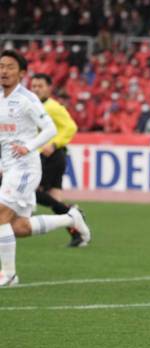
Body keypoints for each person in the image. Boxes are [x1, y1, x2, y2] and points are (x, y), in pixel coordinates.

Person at [0, 50, 90, 287]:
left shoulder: (28, 99)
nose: (4, 71)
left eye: (9, 67)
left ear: (21, 73)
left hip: (25, 167)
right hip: (9, 168)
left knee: (0, 215)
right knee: (17, 227)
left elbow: (49, 129)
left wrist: (28, 147)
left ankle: (8, 275)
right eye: (1, 66)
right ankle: (71, 218)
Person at [30, 73, 88, 248]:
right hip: (51, 157)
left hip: (52, 156)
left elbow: (71, 127)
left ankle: (73, 213)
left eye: (40, 86)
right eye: (34, 86)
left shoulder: (53, 107)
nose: (36, 89)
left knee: (33, 191)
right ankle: (77, 234)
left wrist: (54, 145)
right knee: (55, 197)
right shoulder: (35, 106)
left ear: (49, 88)